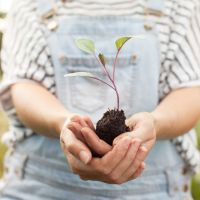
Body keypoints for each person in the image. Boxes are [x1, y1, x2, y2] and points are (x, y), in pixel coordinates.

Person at [0, 0, 200, 199]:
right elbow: (26, 87)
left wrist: (154, 123)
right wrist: (64, 124)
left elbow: (190, 91)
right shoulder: (30, 5)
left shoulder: (180, 6)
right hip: (36, 190)